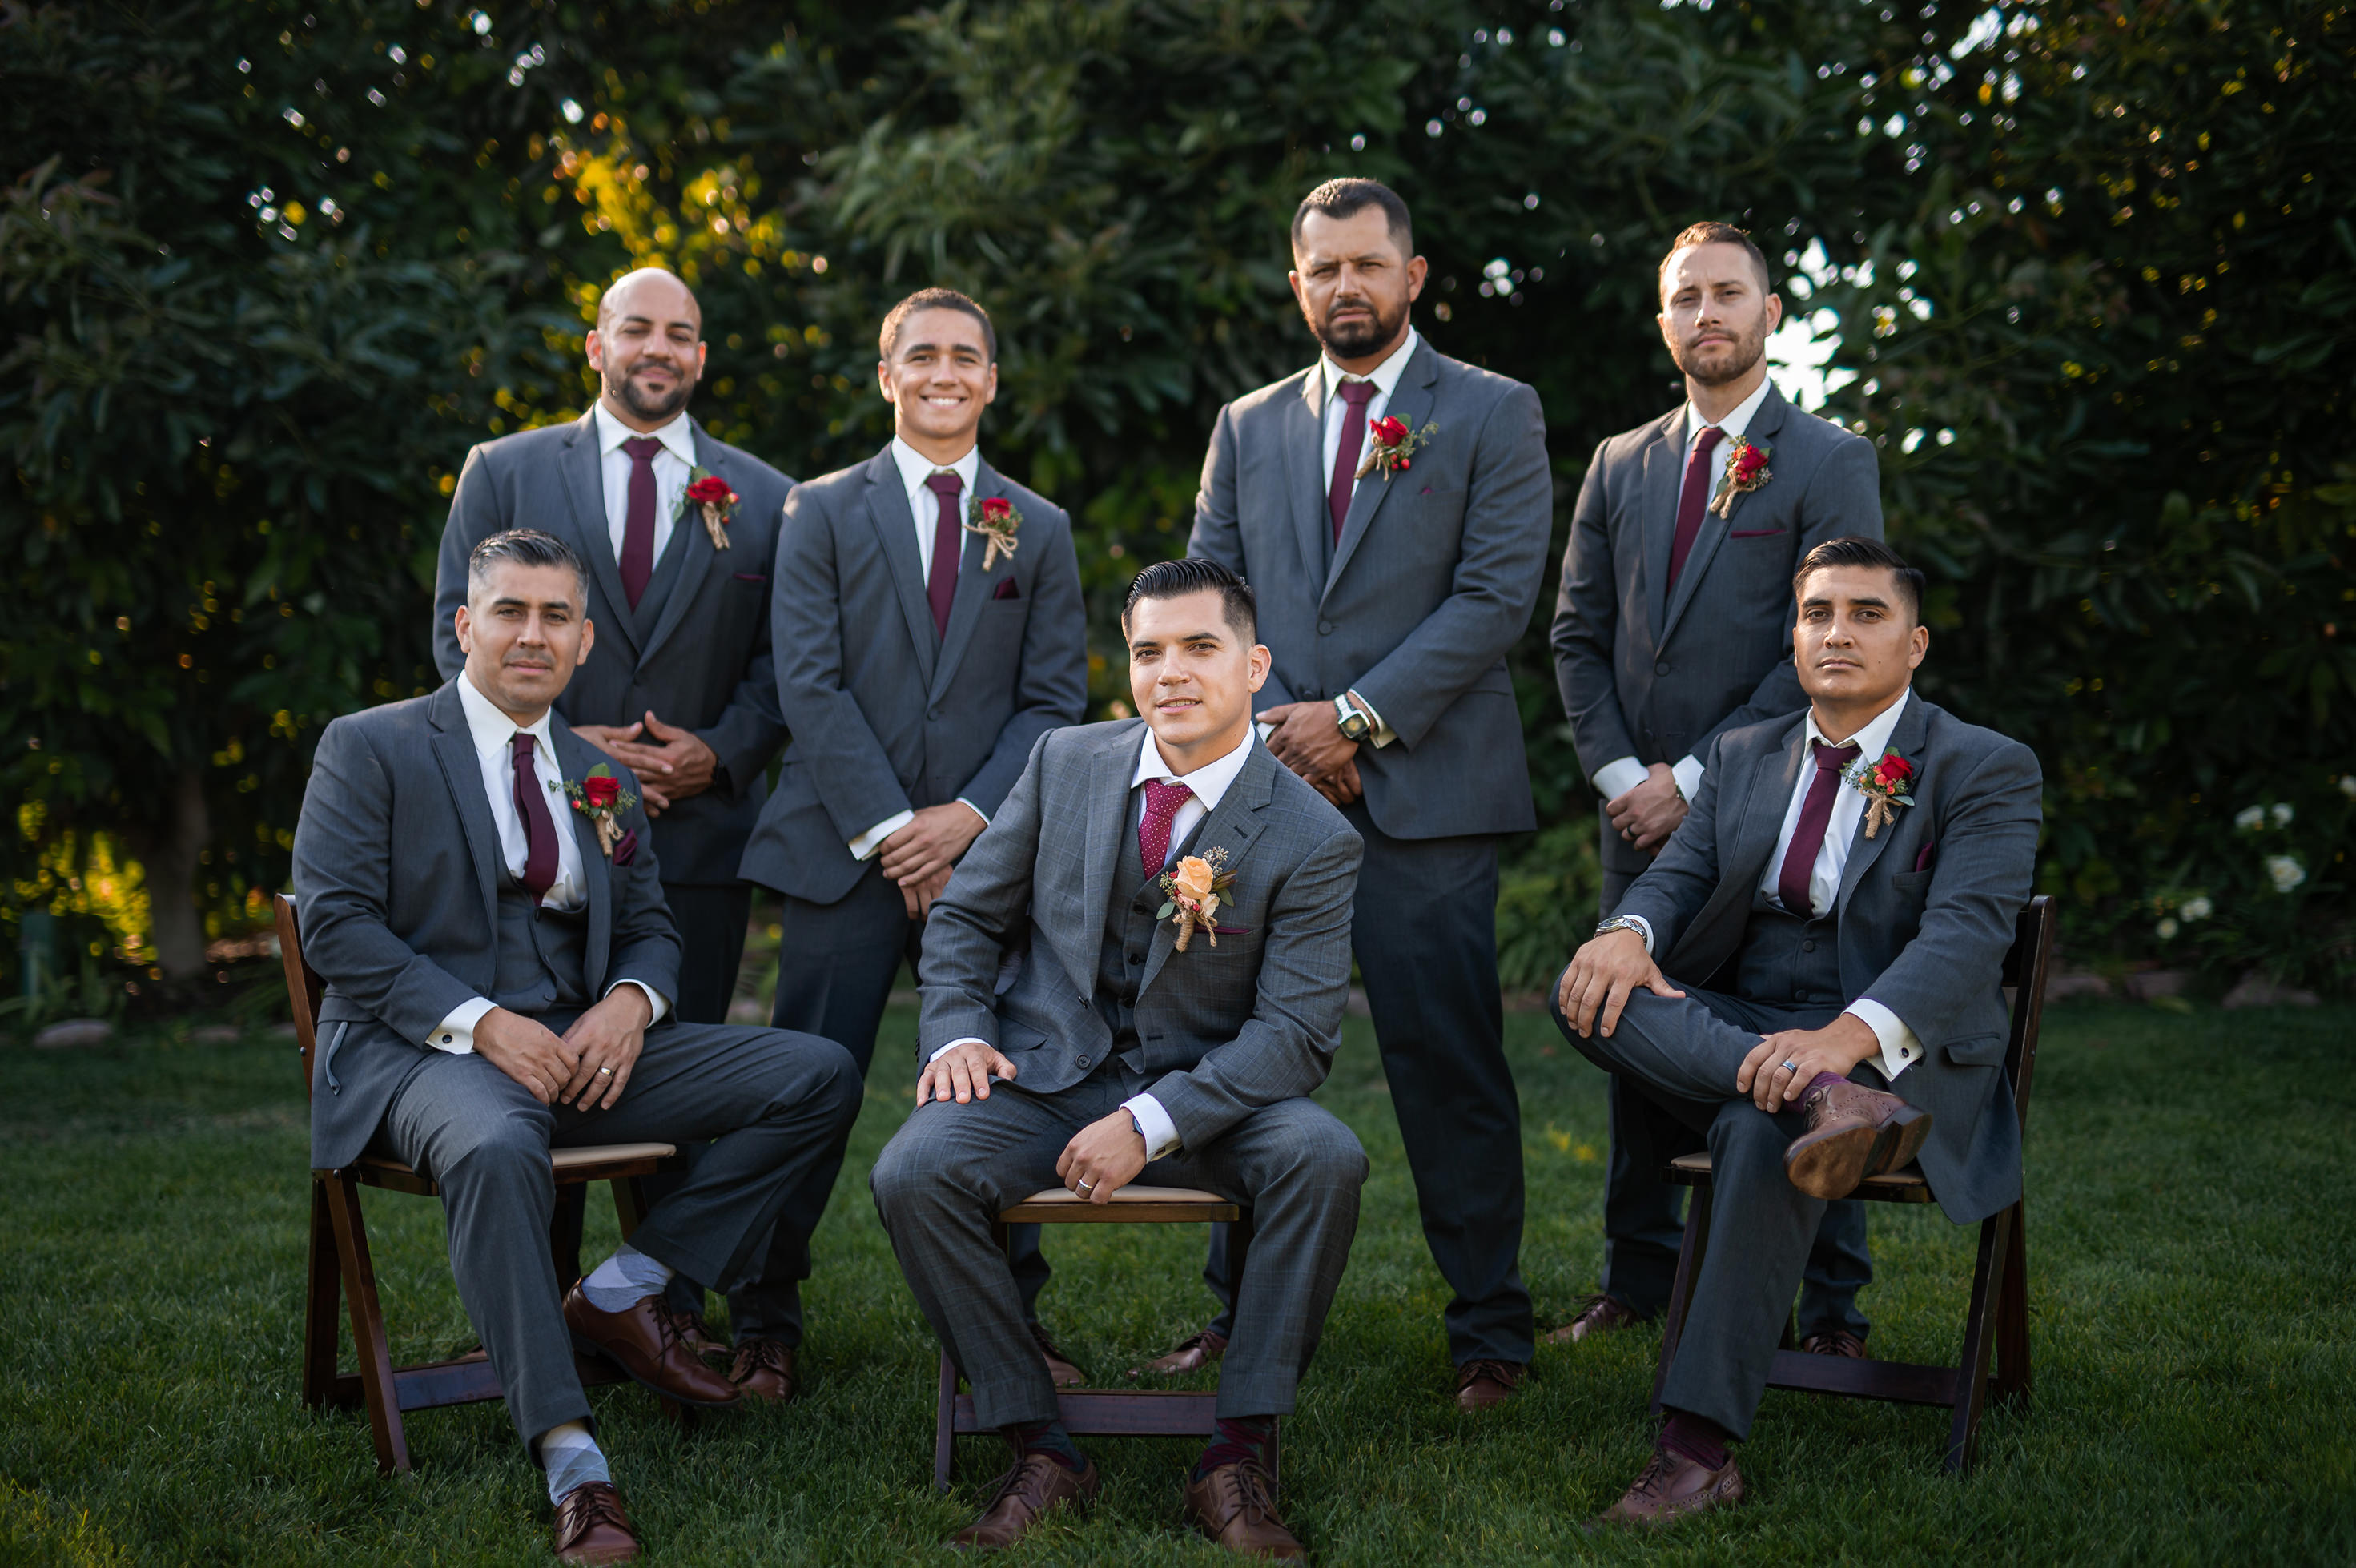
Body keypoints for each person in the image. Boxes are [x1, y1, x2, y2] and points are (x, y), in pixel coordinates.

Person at [295, 529, 860, 1564]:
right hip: (423, 1054)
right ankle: (572, 1457)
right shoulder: (370, 745)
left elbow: (650, 922)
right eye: (509, 611)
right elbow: (335, 927)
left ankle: (623, 1286)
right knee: (501, 1142)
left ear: (584, 639)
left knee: (813, 1073)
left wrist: (634, 1002)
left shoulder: (596, 771)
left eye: (556, 616)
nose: (531, 633)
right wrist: (484, 1023)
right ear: (465, 625)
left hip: (583, 1051)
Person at [870, 558, 1368, 1559]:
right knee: (911, 1168)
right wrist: (960, 1030)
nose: (1170, 672)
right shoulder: (1066, 760)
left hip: (1210, 1094)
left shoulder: (1312, 833)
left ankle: (1236, 1453)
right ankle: (1039, 1443)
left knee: (1324, 1157)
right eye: (1148, 650)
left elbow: (1296, 1034)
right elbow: (967, 918)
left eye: (1199, 647)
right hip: (1047, 1073)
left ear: (1254, 663)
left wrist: (1151, 1120)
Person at [1550, 537, 2040, 1524]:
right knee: (1591, 988)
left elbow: (1964, 935)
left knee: (1753, 1126)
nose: (1837, 632)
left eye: (1865, 613)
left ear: (1915, 643)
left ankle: (1693, 1448)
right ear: (1793, 635)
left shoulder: (1981, 765)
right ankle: (1821, 1102)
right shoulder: (1741, 755)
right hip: (1754, 1025)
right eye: (1818, 613)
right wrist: (1625, 930)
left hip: (1896, 1047)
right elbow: (1677, 879)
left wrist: (1844, 1042)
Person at [1188, 177, 1552, 1409]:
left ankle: (1490, 1332)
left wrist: (1352, 719)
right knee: (1232, 1052)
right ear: (1296, 286)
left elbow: (1496, 598)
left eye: (1367, 264)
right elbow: (1211, 603)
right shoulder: (1247, 423)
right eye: (1322, 268)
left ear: (1414, 274)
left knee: (1446, 1060)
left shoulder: (1494, 413)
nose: (1345, 286)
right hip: (1267, 791)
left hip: (1429, 797)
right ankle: (1233, 1313)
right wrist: (1286, 723)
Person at [432, 267, 799, 1394]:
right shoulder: (504, 469)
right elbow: (451, 646)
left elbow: (783, 667)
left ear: (700, 356)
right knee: (542, 1067)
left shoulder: (763, 491)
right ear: (595, 344)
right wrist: (556, 734)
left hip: (692, 837)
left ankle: (669, 1308)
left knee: (678, 1079)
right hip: (522, 838)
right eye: (636, 327)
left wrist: (717, 752)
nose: (658, 346)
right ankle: (542, 1324)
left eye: (680, 333)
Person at [736, 287, 1090, 1384]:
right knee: (808, 1085)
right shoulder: (820, 510)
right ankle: (761, 1322)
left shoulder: (1039, 526)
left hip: (988, 862)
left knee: (999, 1084)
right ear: (887, 376)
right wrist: (896, 830)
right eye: (922, 355)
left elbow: (1051, 700)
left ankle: (1009, 1321)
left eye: (967, 356)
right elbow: (808, 679)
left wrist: (968, 823)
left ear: (992, 379)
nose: (945, 371)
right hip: (844, 853)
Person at [1549, 223, 1887, 1353]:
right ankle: (1636, 1275)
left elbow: (1830, 645)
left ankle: (1830, 1304)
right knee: (1636, 1035)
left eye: (1726, 294)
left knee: (1795, 1013)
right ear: (1662, 320)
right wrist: (1621, 778)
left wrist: (1694, 775)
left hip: (1775, 801)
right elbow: (1575, 635)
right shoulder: (1618, 459)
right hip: (1632, 811)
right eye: (1684, 297)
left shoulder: (1828, 458)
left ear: (1771, 312)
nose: (1706, 313)